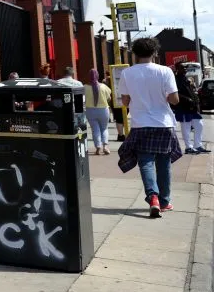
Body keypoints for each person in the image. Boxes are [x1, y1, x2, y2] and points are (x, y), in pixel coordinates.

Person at [117, 38, 182, 218]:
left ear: (135, 54)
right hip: (164, 123)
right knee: (164, 163)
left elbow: (125, 101)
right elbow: (174, 100)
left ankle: (152, 197)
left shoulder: (127, 73)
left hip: (140, 123)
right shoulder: (165, 71)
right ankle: (164, 201)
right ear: (155, 53)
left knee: (145, 162)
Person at [174, 62, 208, 154]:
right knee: (186, 127)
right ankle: (188, 147)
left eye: (185, 68)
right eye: (182, 68)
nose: (185, 70)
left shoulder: (186, 79)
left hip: (192, 107)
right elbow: (175, 93)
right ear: (177, 69)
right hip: (183, 107)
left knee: (199, 125)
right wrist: (187, 99)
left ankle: (198, 145)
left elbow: (192, 91)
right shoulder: (175, 79)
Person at [84, 69, 113, 155]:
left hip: (90, 110)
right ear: (98, 76)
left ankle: (98, 146)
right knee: (104, 128)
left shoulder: (84, 87)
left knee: (95, 129)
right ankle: (105, 146)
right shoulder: (104, 87)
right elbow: (109, 98)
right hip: (103, 110)